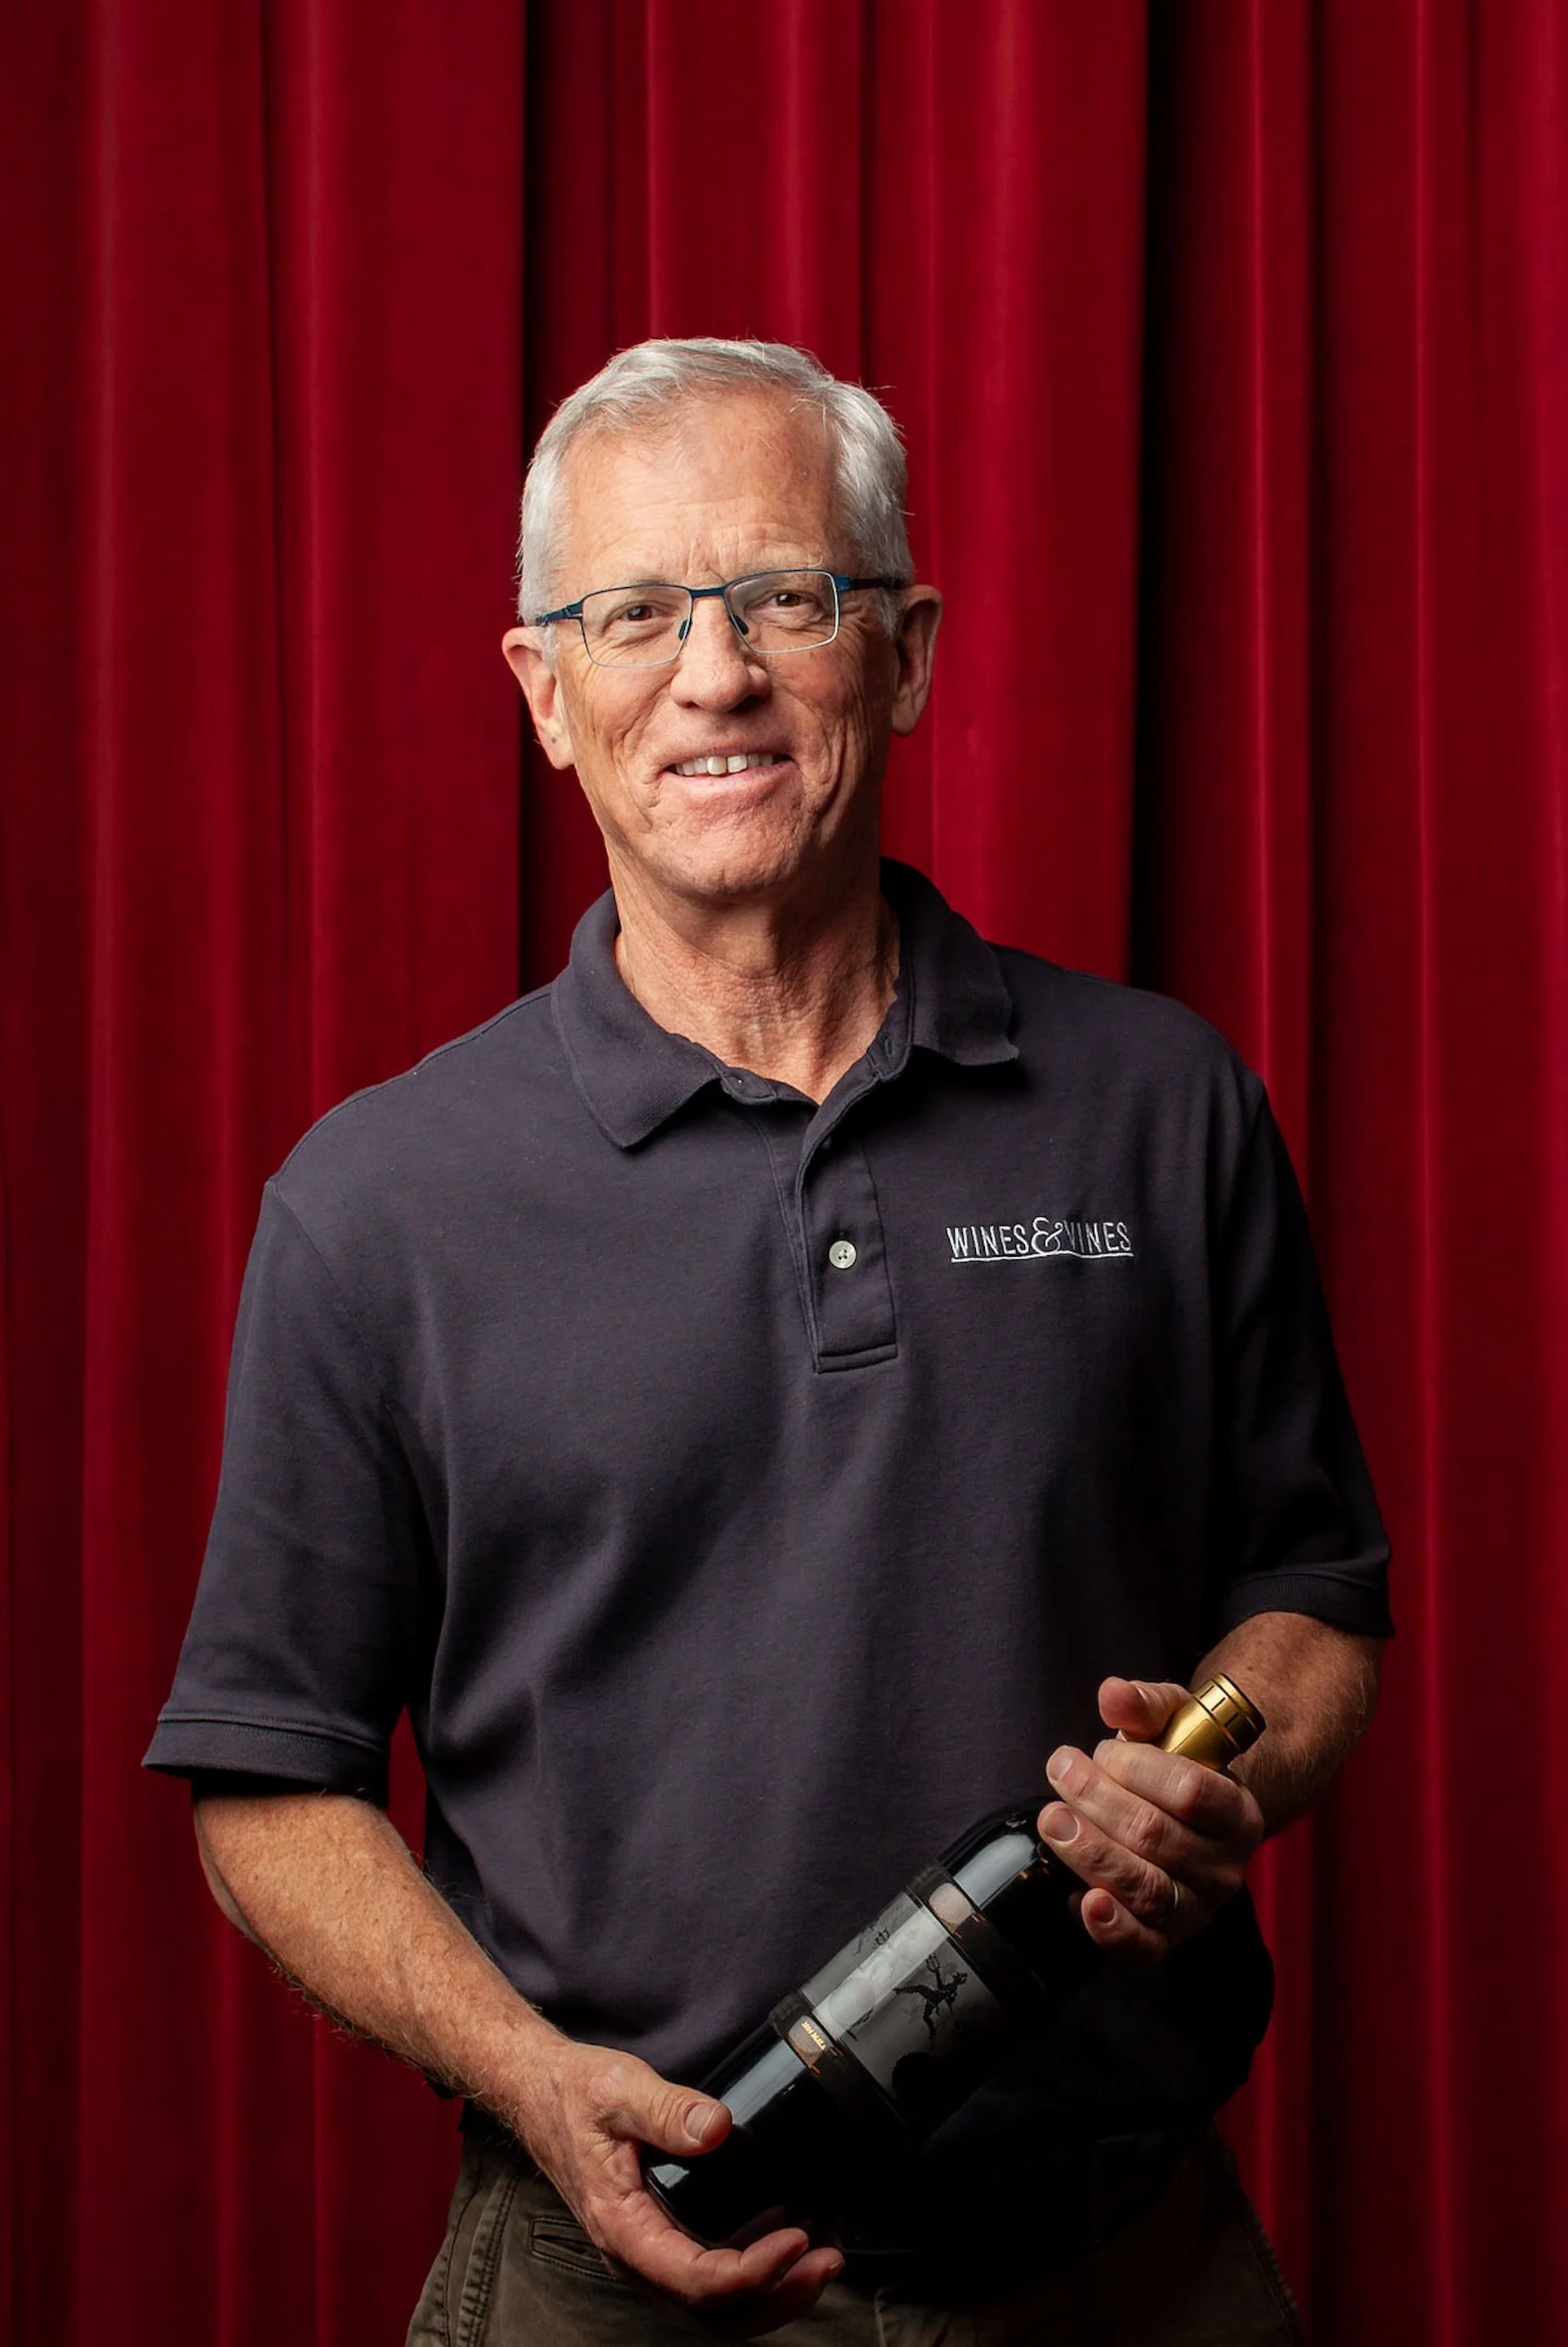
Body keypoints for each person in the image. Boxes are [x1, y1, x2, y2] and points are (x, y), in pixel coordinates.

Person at [146, 338, 1392, 2345]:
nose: (711, 676)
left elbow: (1314, 1593)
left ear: (898, 653)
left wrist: (1221, 1765)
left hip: (1132, 2270)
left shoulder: (1162, 1107)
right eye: (633, 614)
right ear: (548, 696)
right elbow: (269, 1787)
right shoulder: (377, 1205)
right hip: (614, 2271)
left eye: (783, 600)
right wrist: (529, 2081)